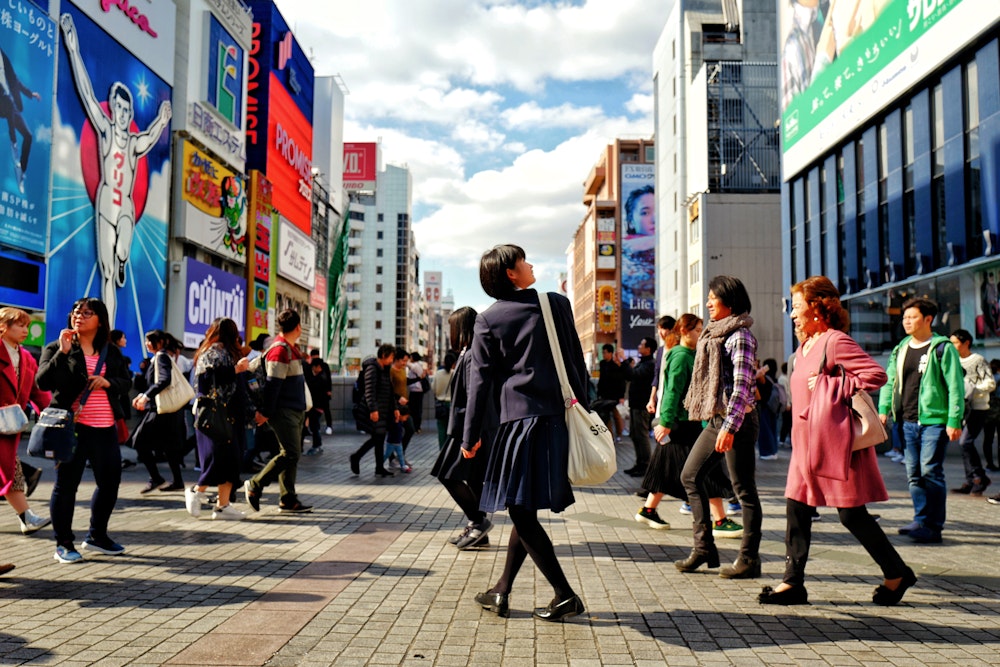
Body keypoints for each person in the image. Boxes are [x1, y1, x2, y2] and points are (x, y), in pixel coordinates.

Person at [758, 276, 916, 606]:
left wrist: (834, 383)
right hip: (805, 445)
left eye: (798, 306)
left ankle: (897, 573)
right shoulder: (802, 349)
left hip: (836, 445)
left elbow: (876, 374)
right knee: (796, 509)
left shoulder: (835, 342)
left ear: (818, 308)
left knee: (851, 516)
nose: (792, 314)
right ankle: (793, 583)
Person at [465, 244, 586, 622]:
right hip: (554, 420)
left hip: (517, 423)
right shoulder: (556, 304)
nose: (530, 263)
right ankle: (501, 590)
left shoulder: (487, 320)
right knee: (524, 507)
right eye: (523, 261)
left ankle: (564, 594)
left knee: (520, 509)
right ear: (510, 274)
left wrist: (470, 437)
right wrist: (584, 410)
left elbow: (478, 384)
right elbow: (576, 362)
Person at [59, 13, 172, 324]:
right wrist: (72, 49)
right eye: (117, 107)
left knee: (122, 247)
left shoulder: (133, 142)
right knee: (107, 275)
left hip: (125, 206)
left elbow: (149, 138)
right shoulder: (106, 132)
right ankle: (106, 329)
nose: (121, 112)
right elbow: (86, 94)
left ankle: (123, 258)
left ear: (131, 112)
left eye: (126, 109)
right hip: (106, 201)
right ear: (113, 108)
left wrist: (162, 119)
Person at [676, 275, 763, 579]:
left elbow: (742, 388)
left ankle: (749, 559)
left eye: (714, 297)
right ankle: (702, 549)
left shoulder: (739, 336)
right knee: (690, 476)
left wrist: (729, 426)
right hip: (717, 419)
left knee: (743, 490)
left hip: (737, 420)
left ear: (730, 301)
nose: (709, 302)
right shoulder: (713, 335)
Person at [37, 298, 132, 563]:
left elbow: (126, 381)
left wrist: (108, 382)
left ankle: (97, 536)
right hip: (71, 428)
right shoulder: (57, 346)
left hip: (105, 428)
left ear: (100, 320)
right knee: (66, 485)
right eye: (76, 312)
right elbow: (42, 382)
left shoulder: (110, 352)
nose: (79, 316)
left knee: (110, 483)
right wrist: (64, 352)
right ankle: (63, 544)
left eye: (87, 313)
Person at [636, 315, 742, 538]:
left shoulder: (686, 354)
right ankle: (720, 520)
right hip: (684, 423)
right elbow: (673, 391)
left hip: (686, 422)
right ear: (684, 331)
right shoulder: (682, 356)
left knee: (667, 468)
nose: (700, 334)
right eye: (697, 330)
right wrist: (665, 422)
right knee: (707, 469)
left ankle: (648, 510)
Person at [878, 298, 964, 544]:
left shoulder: (942, 348)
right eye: (904, 317)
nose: (906, 321)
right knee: (913, 473)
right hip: (907, 421)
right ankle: (920, 518)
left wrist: (954, 419)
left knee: (930, 470)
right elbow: (889, 380)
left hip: (934, 421)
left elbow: (955, 386)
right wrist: (883, 408)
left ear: (928, 319)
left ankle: (933, 526)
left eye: (912, 317)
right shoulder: (901, 347)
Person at [432, 307, 495, 550]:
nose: (451, 332)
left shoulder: (473, 354)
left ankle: (478, 522)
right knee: (475, 479)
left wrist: (471, 435)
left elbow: (474, 396)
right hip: (473, 427)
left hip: (468, 429)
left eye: (453, 327)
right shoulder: (470, 351)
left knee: (446, 473)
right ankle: (479, 530)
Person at [243, 309, 312, 514]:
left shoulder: (290, 348)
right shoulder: (279, 350)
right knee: (290, 453)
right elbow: (273, 384)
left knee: (290, 454)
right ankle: (255, 485)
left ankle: (288, 498)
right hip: (284, 410)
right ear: (298, 327)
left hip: (294, 409)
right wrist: (265, 412)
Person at [185, 318, 249, 521]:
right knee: (217, 458)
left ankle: (223, 505)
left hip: (231, 414)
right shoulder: (213, 352)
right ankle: (197, 491)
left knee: (232, 460)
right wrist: (234, 370)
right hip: (215, 414)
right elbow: (206, 379)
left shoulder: (230, 353)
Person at [0, 307, 52, 535]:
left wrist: (51, 413)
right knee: (10, 470)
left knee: (11, 471)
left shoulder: (27, 357)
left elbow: (38, 392)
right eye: (20, 325)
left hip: (10, 426)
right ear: (4, 326)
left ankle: (27, 518)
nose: (25, 330)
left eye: (27, 326)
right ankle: (27, 517)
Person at [131, 330, 185, 493]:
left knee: (138, 441)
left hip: (160, 410)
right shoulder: (160, 357)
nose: (147, 344)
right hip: (166, 410)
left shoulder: (161, 357)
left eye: (150, 341)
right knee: (169, 447)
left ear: (160, 342)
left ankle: (156, 478)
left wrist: (146, 397)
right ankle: (176, 481)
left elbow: (164, 380)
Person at [948, 329, 995, 495]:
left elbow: (990, 383)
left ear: (966, 343)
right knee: (963, 444)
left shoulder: (977, 360)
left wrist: (974, 389)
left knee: (965, 442)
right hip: (962, 408)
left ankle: (979, 477)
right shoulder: (953, 361)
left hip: (978, 407)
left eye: (955, 342)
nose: (952, 346)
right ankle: (971, 480)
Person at [349, 343, 398, 477]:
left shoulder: (385, 369)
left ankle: (378, 467)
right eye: (391, 357)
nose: (392, 360)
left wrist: (395, 408)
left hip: (384, 409)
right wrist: (373, 409)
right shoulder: (372, 368)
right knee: (377, 438)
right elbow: (369, 390)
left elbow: (390, 390)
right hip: (375, 410)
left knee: (379, 438)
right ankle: (357, 457)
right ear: (383, 355)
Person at [0, 46, 42, 193]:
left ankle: (22, 172)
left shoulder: (6, 65)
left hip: (11, 105)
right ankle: (14, 145)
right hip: (2, 103)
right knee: (9, 104)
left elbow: (17, 82)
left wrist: (31, 94)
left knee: (29, 136)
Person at [621, 337, 656, 476]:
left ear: (648, 349)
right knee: (635, 435)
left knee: (641, 436)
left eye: (642, 345)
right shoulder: (643, 363)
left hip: (642, 406)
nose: (639, 346)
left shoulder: (649, 364)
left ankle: (645, 465)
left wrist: (624, 360)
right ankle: (639, 463)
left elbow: (633, 375)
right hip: (636, 405)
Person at [597, 344, 627, 441]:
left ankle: (619, 433)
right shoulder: (602, 364)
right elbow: (601, 380)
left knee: (615, 415)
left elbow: (621, 382)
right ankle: (610, 436)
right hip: (604, 394)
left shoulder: (615, 366)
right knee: (606, 416)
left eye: (605, 352)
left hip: (613, 395)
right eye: (603, 352)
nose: (603, 354)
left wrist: (621, 396)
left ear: (610, 353)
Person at [303, 358, 330, 456]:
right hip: (316, 406)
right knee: (314, 426)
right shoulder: (321, 377)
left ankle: (316, 446)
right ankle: (317, 445)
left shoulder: (319, 378)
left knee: (314, 427)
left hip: (315, 406)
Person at [756, 359, 781, 460]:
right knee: (772, 428)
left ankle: (767, 452)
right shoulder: (774, 378)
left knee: (765, 429)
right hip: (772, 405)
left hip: (763, 405)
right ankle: (773, 451)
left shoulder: (762, 374)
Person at [432, 351, 457, 449]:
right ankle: (448, 451)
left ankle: (441, 450)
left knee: (441, 429)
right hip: (451, 404)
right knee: (450, 429)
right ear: (453, 363)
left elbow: (433, 388)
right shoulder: (455, 373)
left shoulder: (438, 374)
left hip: (440, 405)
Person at [308, 348, 333, 435]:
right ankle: (314, 428)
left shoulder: (324, 366)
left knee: (326, 409)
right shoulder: (309, 366)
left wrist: (329, 390)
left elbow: (329, 379)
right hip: (314, 392)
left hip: (324, 391)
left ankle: (329, 426)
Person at [983, 359, 1000, 473]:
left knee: (988, 440)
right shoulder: (998, 378)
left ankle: (989, 463)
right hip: (999, 413)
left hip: (987, 413)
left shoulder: (987, 379)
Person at [406, 351, 429, 433]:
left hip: (416, 390)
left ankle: (415, 427)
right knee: (417, 409)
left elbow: (407, 364)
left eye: (410, 357)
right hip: (418, 391)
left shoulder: (415, 366)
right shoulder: (419, 365)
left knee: (414, 409)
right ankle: (417, 427)